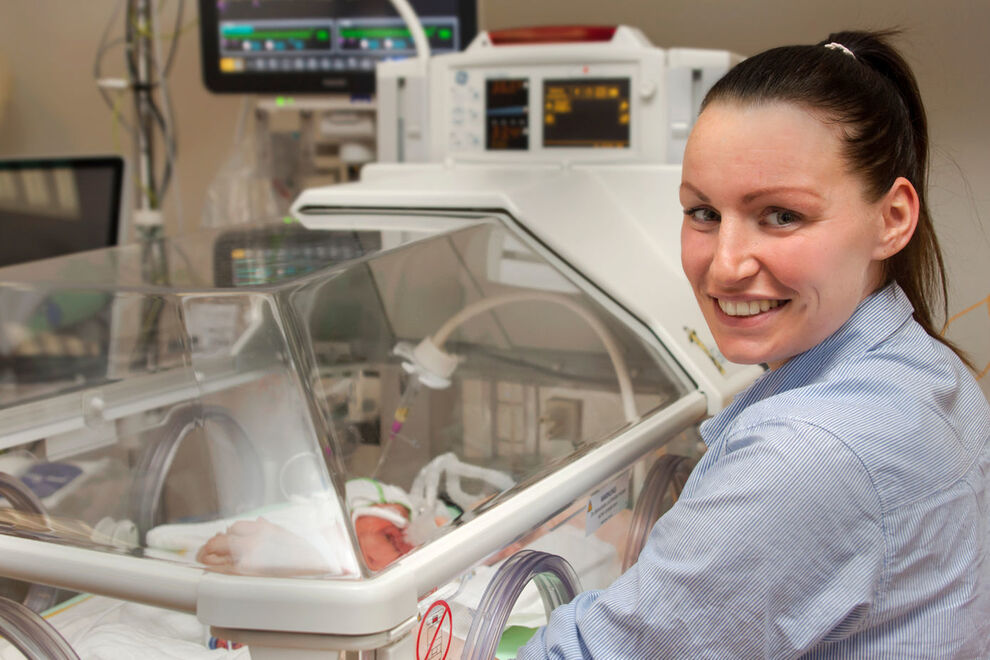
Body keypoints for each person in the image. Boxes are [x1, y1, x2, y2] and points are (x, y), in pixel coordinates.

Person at [518, 30, 989, 658]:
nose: (726, 267)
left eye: (781, 215)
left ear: (892, 218)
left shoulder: (809, 452)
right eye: (703, 213)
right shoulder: (926, 368)